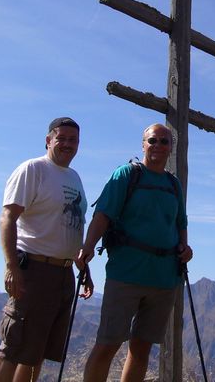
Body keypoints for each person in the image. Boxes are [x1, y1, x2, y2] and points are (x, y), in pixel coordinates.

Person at [75, 123, 193, 382]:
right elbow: (103, 214)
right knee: (107, 344)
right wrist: (88, 246)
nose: (158, 146)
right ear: (143, 144)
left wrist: (185, 248)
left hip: (163, 278)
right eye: (153, 140)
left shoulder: (173, 185)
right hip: (126, 274)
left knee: (141, 349)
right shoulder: (126, 175)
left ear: (171, 147)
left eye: (164, 141)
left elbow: (180, 223)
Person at [0, 117, 93, 382]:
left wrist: (83, 267)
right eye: (61, 138)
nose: (67, 144)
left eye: (73, 140)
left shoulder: (74, 177)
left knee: (38, 351)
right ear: (48, 140)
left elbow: (69, 226)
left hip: (63, 273)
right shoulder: (33, 169)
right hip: (34, 269)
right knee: (13, 348)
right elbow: (7, 217)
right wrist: (11, 266)